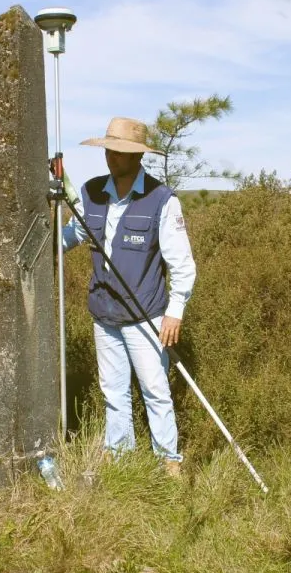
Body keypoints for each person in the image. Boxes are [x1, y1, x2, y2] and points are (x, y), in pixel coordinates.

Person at [62, 116, 197, 476]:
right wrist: (51, 243)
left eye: (120, 151)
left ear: (138, 157)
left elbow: (182, 264)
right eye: (109, 149)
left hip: (147, 316)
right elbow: (73, 233)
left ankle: (169, 460)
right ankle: (119, 457)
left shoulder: (161, 200)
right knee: (113, 392)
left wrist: (175, 311)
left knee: (155, 391)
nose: (111, 156)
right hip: (104, 315)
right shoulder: (91, 192)